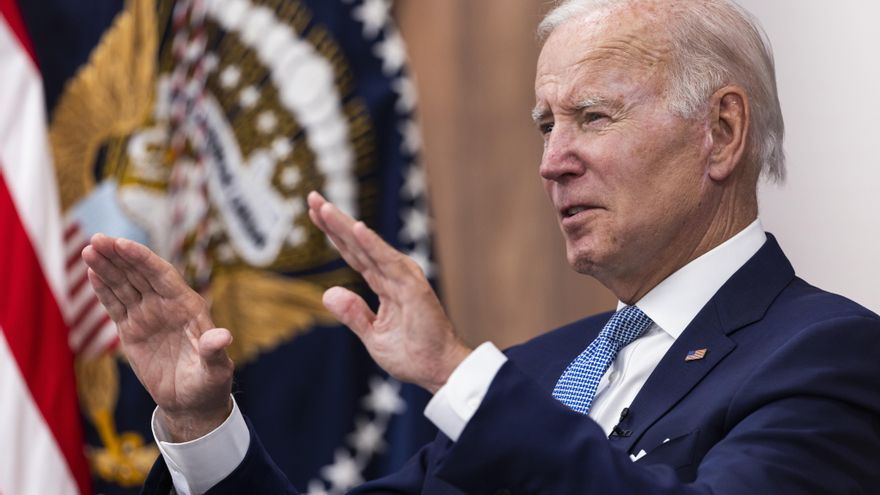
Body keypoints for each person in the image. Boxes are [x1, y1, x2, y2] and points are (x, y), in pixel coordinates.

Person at [82, 0, 880, 493]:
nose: (552, 161)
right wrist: (201, 420)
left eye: (593, 118)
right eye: (545, 125)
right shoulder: (536, 371)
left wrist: (454, 373)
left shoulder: (829, 353)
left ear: (723, 132)